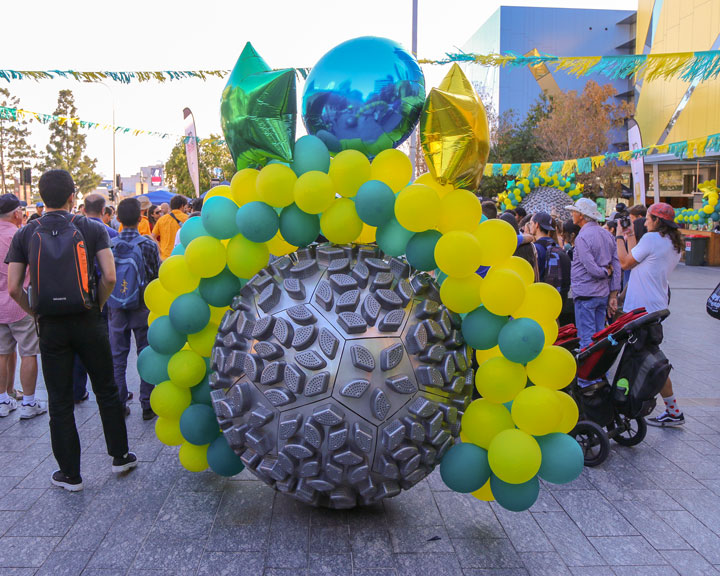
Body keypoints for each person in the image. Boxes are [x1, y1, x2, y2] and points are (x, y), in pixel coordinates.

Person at [6, 169, 137, 491]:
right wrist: (98, 305)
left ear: (41, 196)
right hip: (88, 319)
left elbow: (12, 288)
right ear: (72, 196)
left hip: (51, 326)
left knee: (60, 400)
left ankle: (70, 474)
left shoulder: (25, 234)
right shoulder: (91, 228)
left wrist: (34, 311)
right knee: (105, 389)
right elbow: (108, 276)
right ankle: (120, 456)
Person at [617, 202, 684, 427]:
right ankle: (673, 410)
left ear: (657, 220)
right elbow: (639, 262)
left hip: (641, 310)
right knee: (652, 357)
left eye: (647, 218)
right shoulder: (673, 243)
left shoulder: (652, 239)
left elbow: (626, 263)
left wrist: (619, 237)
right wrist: (629, 236)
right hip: (656, 306)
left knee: (648, 360)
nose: (644, 222)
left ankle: (629, 402)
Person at [108, 198, 161, 421]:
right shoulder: (148, 244)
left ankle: (119, 402)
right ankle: (148, 403)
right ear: (141, 218)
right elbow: (156, 277)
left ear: (117, 218)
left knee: (118, 356)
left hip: (116, 308)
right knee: (145, 354)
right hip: (142, 306)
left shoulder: (109, 246)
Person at [0, 194, 47, 419]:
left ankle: (2, 400)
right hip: (20, 302)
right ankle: (29, 403)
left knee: (1, 353)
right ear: (16, 213)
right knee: (28, 352)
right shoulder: (19, 236)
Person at [566, 198, 621, 349]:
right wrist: (613, 293)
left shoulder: (582, 237)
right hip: (602, 294)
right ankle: (601, 372)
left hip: (586, 294)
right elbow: (616, 265)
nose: (572, 214)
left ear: (582, 215)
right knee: (600, 338)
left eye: (574, 211)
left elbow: (592, 269)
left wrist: (605, 272)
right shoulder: (607, 235)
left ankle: (588, 372)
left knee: (587, 341)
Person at [529, 211, 571, 303]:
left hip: (539, 296)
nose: (529, 226)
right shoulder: (556, 246)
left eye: (531, 223)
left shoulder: (535, 248)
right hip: (553, 297)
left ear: (537, 225)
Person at [152, 195, 188, 260]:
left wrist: (159, 249)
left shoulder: (162, 219)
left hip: (164, 256)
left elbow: (153, 236)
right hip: (180, 256)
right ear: (182, 206)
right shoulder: (186, 218)